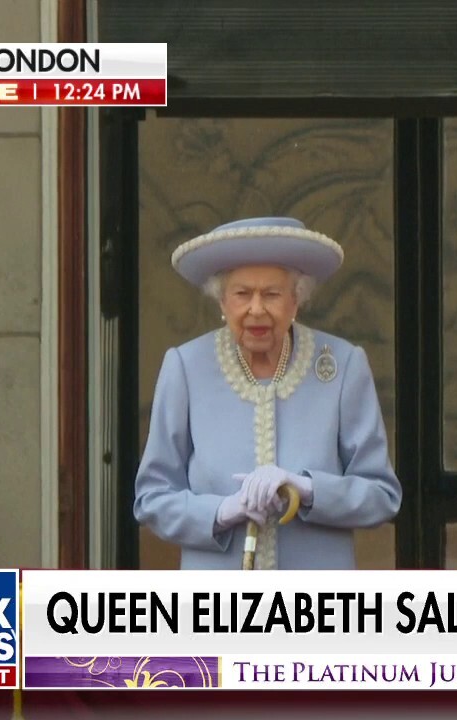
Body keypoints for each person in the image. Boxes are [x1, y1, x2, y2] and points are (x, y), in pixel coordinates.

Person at [134, 216, 401, 570]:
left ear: (296, 300)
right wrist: (220, 511)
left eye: (272, 295)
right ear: (222, 302)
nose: (256, 309)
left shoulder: (342, 365)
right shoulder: (185, 367)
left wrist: (306, 489)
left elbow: (382, 496)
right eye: (242, 294)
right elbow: (151, 498)